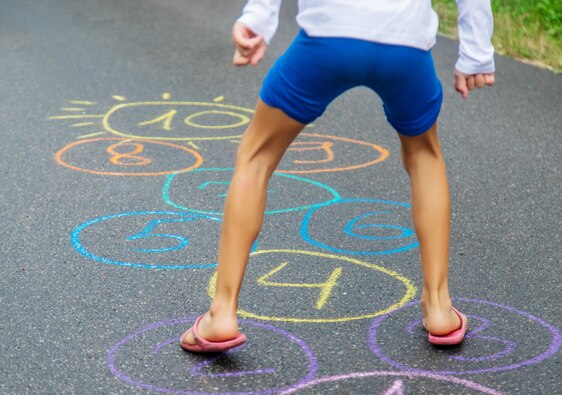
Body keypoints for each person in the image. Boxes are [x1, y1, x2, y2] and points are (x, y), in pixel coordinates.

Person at [180, 0, 495, 352]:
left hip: (328, 38)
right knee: (425, 155)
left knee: (256, 156)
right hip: (404, 43)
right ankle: (438, 306)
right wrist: (476, 51)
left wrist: (258, 18)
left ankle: (222, 312)